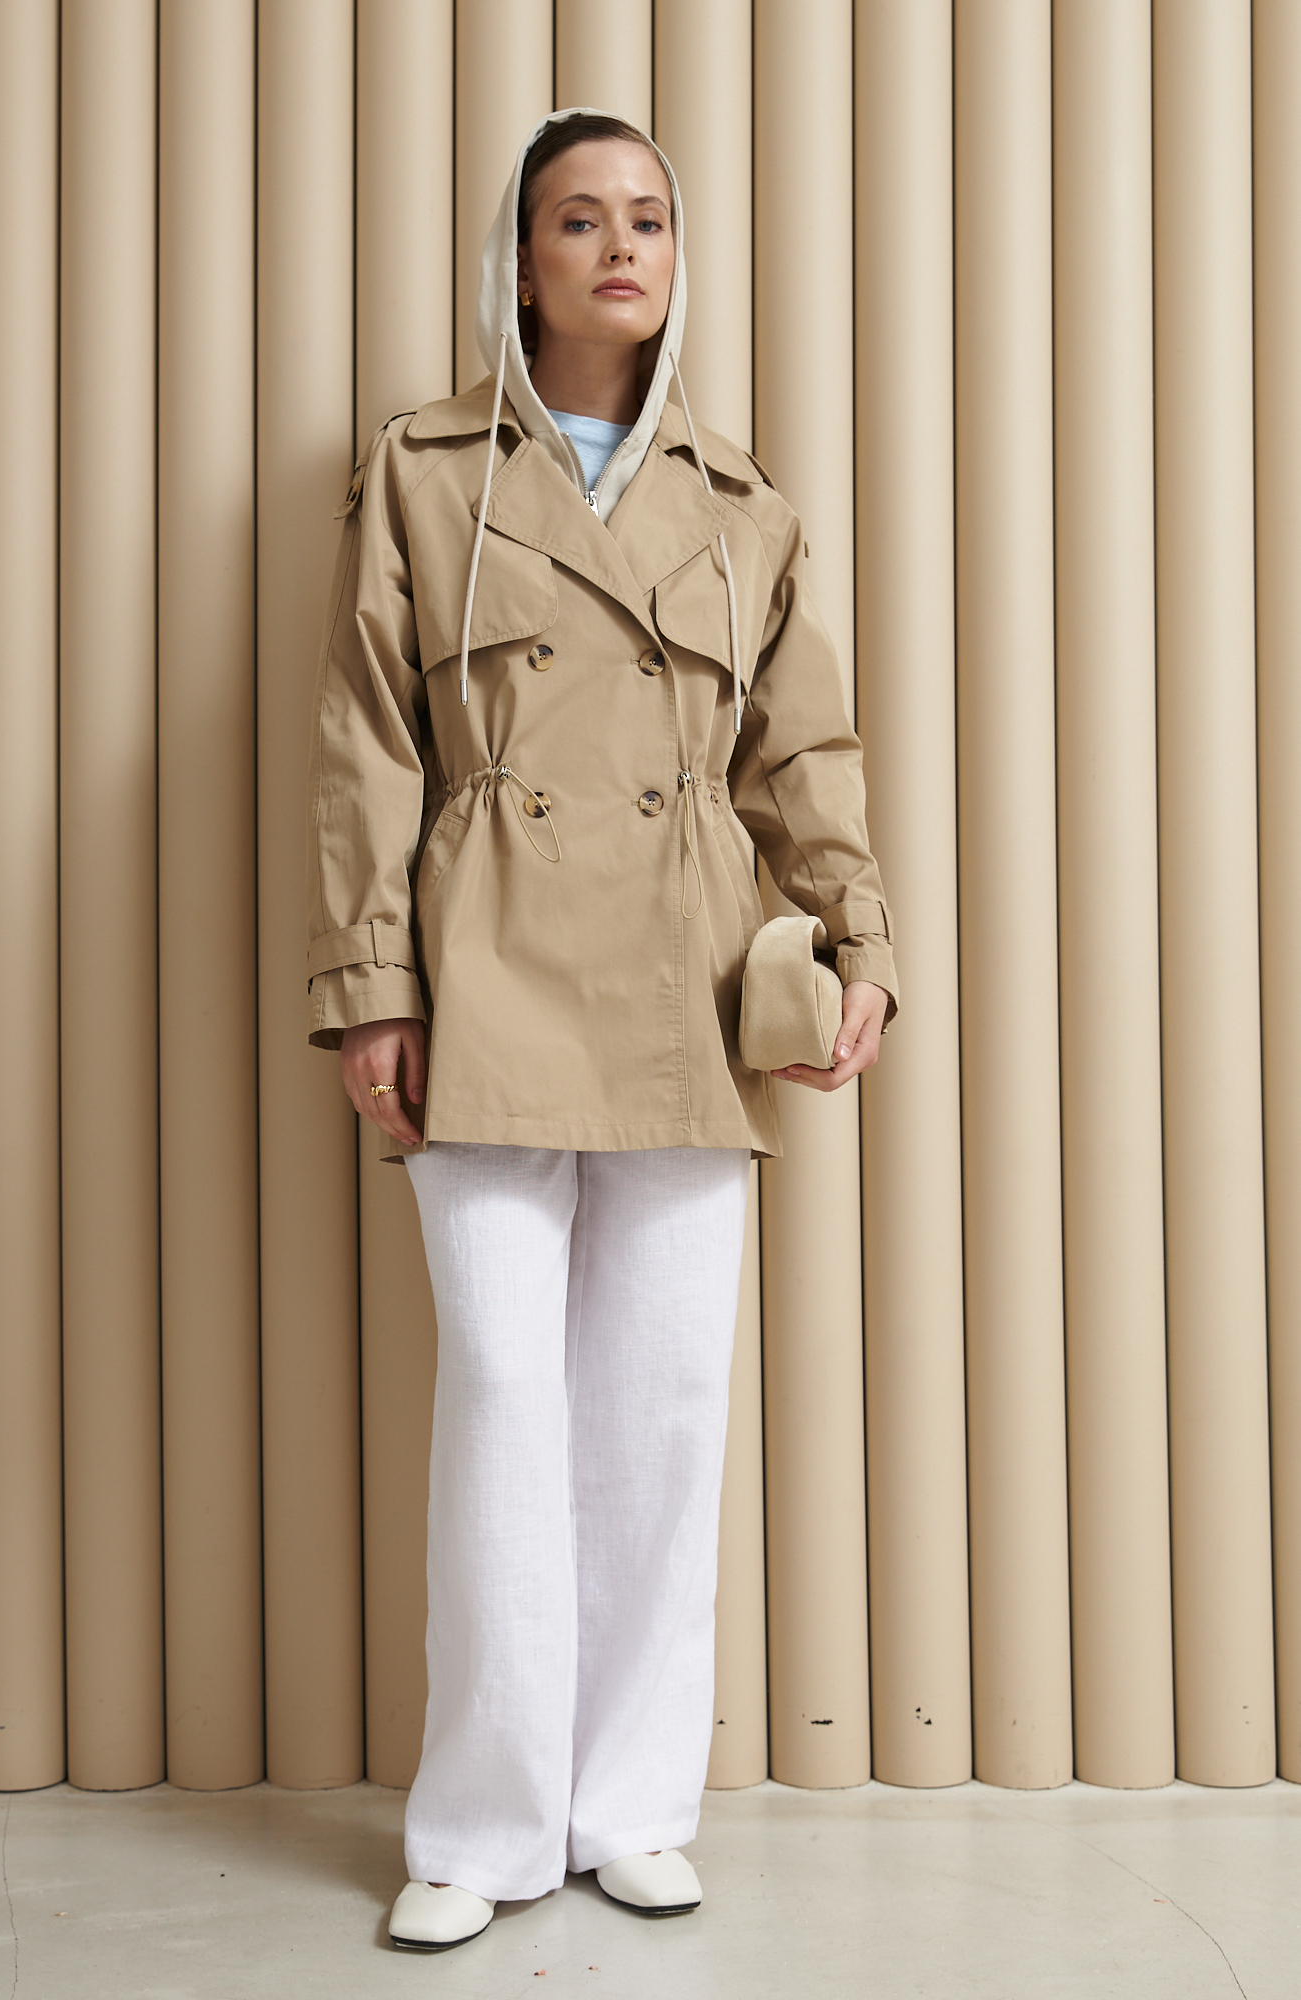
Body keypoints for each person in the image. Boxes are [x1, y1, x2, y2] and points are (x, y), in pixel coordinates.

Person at [306, 109, 897, 1952]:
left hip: (681, 989)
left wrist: (861, 941)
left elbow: (805, 753)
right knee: (502, 1402)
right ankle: (481, 1827)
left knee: (660, 1412)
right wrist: (373, 989)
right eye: (580, 218)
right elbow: (367, 744)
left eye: (648, 217)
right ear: (523, 257)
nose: (620, 246)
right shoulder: (420, 471)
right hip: (481, 967)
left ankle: (633, 1805)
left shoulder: (745, 503)